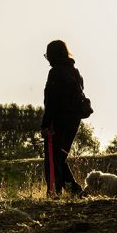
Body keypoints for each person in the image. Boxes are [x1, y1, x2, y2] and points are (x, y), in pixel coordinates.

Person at [41, 40, 85, 197]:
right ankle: (75, 190)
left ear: (52, 55)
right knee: (60, 157)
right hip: (73, 121)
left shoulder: (55, 73)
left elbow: (51, 101)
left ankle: (53, 192)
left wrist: (45, 125)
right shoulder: (75, 72)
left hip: (57, 121)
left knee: (52, 158)